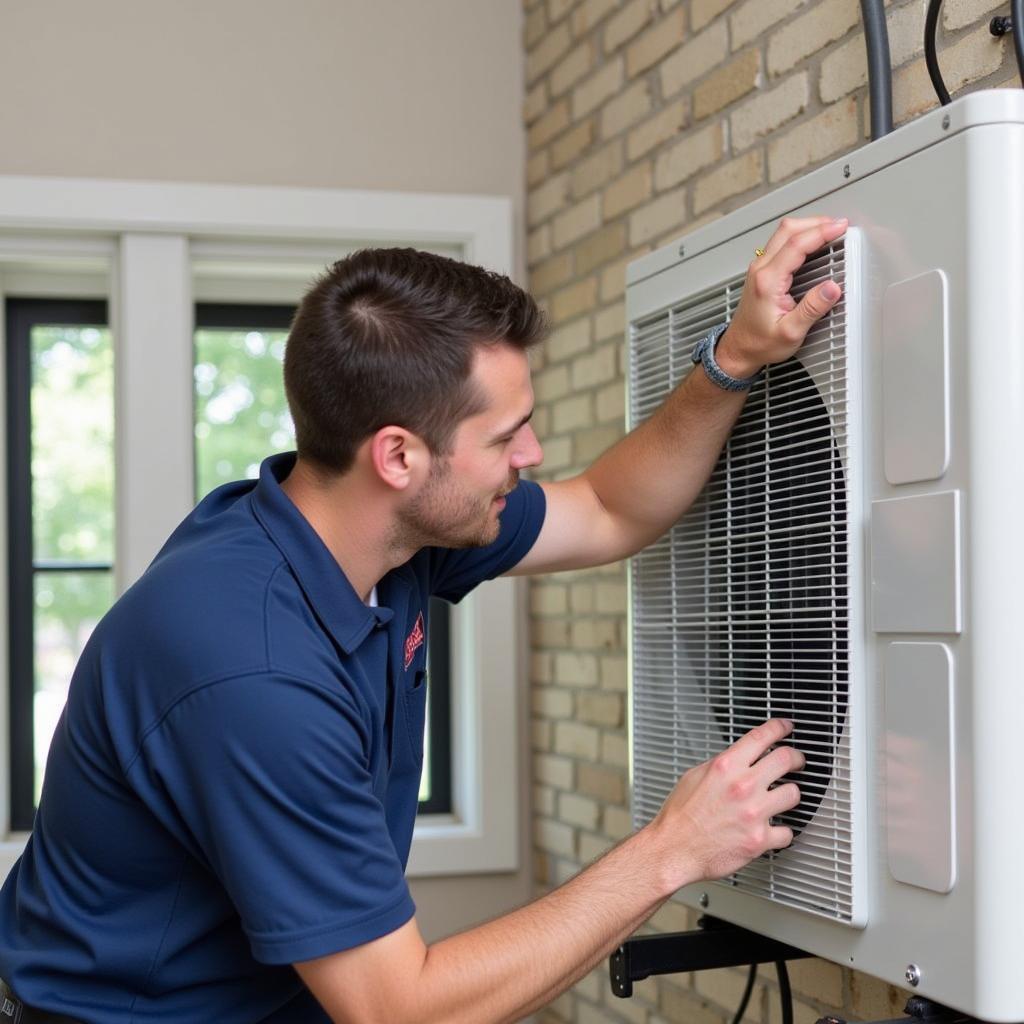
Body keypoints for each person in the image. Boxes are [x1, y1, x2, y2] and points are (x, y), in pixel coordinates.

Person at [0, 215, 846, 1024]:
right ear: (398, 455)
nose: (532, 456)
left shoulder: (376, 533)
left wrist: (734, 357)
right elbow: (397, 1007)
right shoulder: (251, 668)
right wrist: (674, 850)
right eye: (506, 435)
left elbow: (609, 509)